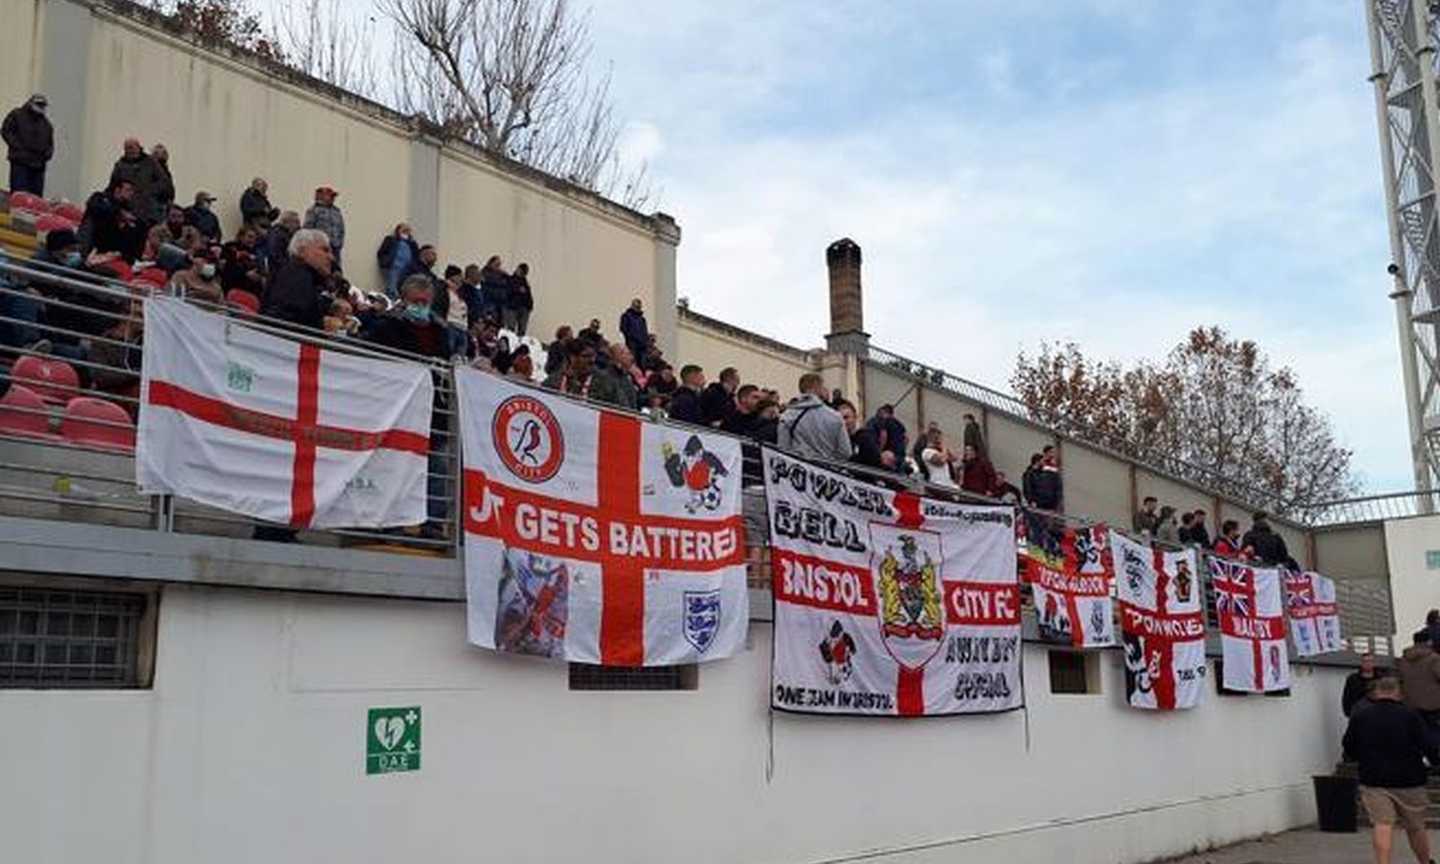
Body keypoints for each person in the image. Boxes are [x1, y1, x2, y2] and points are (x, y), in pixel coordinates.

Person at [1341, 675, 1438, 864]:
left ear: (1376, 692)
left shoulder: (1361, 716)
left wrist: (1363, 757)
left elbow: (1349, 746)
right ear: (1398, 693)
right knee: (1416, 826)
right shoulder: (1411, 715)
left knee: (1382, 824)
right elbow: (1428, 745)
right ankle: (1425, 862)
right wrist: (1434, 762)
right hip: (1409, 779)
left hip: (1374, 779)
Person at [261, 228, 332, 329]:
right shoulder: (298, 276)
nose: (331, 257)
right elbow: (282, 322)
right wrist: (322, 327)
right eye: (325, 250)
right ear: (302, 250)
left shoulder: (300, 275)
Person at [777, 373, 850, 463]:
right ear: (817, 388)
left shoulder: (787, 416)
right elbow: (846, 452)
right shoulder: (835, 416)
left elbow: (783, 449)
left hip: (799, 470)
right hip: (827, 471)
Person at [544, 340, 625, 408]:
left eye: (593, 356)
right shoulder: (554, 381)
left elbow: (623, 409)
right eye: (586, 356)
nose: (592, 360)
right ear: (573, 358)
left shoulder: (606, 383)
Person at [78, 178, 142, 261]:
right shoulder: (99, 198)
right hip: (90, 243)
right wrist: (119, 213)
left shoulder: (127, 208)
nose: (131, 193)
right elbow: (97, 207)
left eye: (132, 191)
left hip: (111, 250)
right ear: (118, 190)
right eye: (128, 190)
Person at [108, 138, 169, 225]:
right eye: (127, 148)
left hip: (149, 210)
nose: (130, 151)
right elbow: (113, 185)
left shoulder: (151, 162)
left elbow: (163, 181)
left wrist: (150, 191)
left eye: (132, 147)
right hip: (129, 209)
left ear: (138, 148)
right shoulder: (120, 165)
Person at [2, 94, 53, 195]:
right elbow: (6, 131)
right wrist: (17, 147)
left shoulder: (46, 124)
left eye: (43, 105)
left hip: (38, 165)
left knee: (36, 198)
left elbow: (50, 143)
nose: (41, 107)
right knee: (19, 194)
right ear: (31, 103)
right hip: (20, 162)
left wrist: (46, 155)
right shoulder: (17, 115)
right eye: (38, 104)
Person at [1399, 630, 1440, 746]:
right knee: (1435, 734)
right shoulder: (1434, 658)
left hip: (1411, 705)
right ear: (1429, 642)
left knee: (1417, 734)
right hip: (1434, 706)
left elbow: (1400, 680)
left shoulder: (1403, 660)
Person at [303, 186, 345, 269]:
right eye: (330, 196)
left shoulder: (336, 211)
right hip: (321, 248)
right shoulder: (313, 211)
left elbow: (341, 229)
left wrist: (340, 243)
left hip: (335, 247)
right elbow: (308, 229)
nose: (333, 198)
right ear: (321, 196)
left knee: (336, 270)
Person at [835, 399, 884, 468]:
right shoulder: (838, 440)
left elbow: (875, 463)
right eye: (840, 418)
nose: (844, 422)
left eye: (846, 417)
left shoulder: (865, 438)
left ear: (855, 417)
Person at [376, 224, 421, 298]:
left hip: (408, 271)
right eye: (404, 230)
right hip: (395, 269)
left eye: (408, 230)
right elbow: (381, 252)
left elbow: (417, 257)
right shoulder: (391, 240)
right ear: (398, 230)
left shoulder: (412, 244)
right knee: (392, 289)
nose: (406, 232)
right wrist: (386, 262)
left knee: (406, 290)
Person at [866, 404, 908, 473]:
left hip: (886, 460)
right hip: (890, 460)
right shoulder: (897, 424)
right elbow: (905, 439)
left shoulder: (874, 422)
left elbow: (884, 436)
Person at [1344, 654, 1380, 718]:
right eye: (1365, 661)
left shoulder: (1380, 679)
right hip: (1358, 713)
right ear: (1361, 663)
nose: (1368, 664)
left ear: (1374, 663)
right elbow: (1346, 697)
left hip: (1377, 714)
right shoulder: (1353, 679)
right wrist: (1349, 713)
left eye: (1370, 661)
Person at [1030, 445, 1063, 511]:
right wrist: (1032, 500)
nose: (1053, 454)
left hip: (1051, 502)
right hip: (1039, 501)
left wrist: (1058, 501)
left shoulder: (1054, 467)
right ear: (1046, 453)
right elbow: (1031, 483)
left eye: (1053, 452)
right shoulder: (1038, 466)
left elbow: (1058, 485)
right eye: (1051, 452)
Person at [478, 255, 509, 323]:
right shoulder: (485, 272)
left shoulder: (502, 275)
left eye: (499, 264)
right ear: (491, 263)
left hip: (500, 304)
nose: (498, 267)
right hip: (489, 301)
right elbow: (490, 282)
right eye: (496, 264)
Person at [620, 297, 649, 365]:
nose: (637, 308)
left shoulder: (642, 319)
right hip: (632, 344)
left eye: (639, 306)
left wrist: (645, 341)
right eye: (636, 306)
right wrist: (632, 337)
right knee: (633, 361)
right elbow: (624, 329)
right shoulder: (626, 316)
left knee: (642, 363)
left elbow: (645, 331)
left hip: (642, 346)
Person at [506, 263, 534, 335]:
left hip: (524, 307)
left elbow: (528, 294)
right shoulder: (511, 279)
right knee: (511, 328)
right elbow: (508, 291)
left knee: (522, 330)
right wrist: (518, 290)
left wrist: (529, 306)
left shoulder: (525, 282)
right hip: (513, 306)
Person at [151, 144, 175, 215]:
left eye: (164, 153)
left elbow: (169, 186)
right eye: (157, 153)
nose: (163, 155)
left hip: (165, 203)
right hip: (156, 203)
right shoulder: (150, 169)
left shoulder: (166, 170)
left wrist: (170, 198)